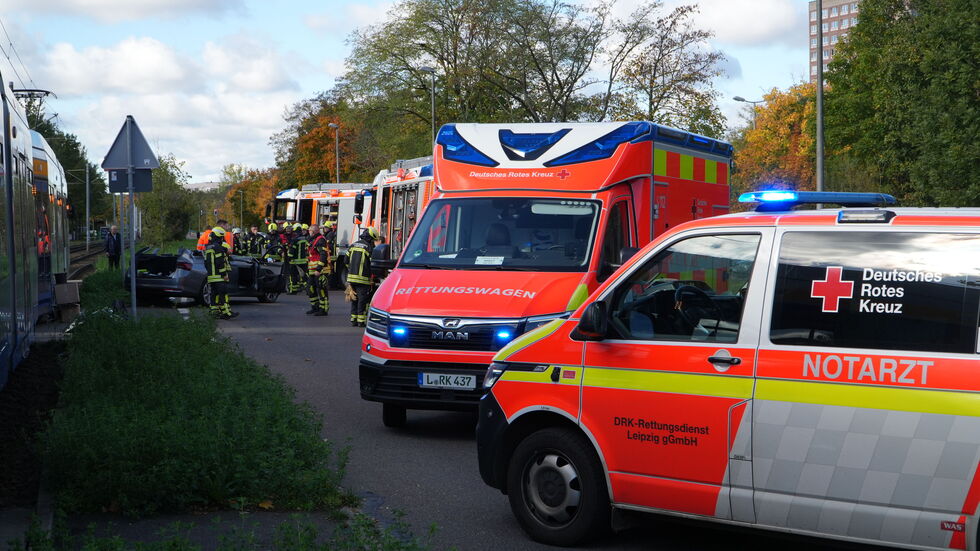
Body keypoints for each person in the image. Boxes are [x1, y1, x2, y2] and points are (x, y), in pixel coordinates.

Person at [347, 227, 381, 327]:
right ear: (370, 238)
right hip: (363, 279)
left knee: (354, 298)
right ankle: (361, 321)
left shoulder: (353, 245)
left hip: (351, 278)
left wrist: (351, 271)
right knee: (363, 300)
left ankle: (353, 319)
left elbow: (346, 261)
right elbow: (372, 264)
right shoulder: (369, 248)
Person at [203, 226, 237, 319]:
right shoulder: (218, 247)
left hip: (211, 276)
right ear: (219, 236)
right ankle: (226, 313)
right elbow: (220, 262)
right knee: (223, 294)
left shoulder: (208, 247)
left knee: (214, 294)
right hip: (219, 276)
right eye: (222, 237)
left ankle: (214, 311)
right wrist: (224, 274)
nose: (222, 239)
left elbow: (206, 263)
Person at [306, 224, 330, 316]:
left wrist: (319, 269)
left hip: (320, 270)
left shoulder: (320, 240)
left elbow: (323, 255)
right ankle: (315, 307)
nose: (309, 232)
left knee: (321, 290)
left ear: (315, 231)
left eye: (310, 230)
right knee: (311, 289)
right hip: (312, 270)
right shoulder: (312, 239)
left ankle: (323, 309)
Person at [286, 223, 310, 294]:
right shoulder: (305, 238)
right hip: (304, 261)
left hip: (295, 261)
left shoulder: (295, 239)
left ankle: (293, 290)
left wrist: (289, 257)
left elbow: (292, 250)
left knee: (293, 276)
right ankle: (309, 289)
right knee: (304, 276)